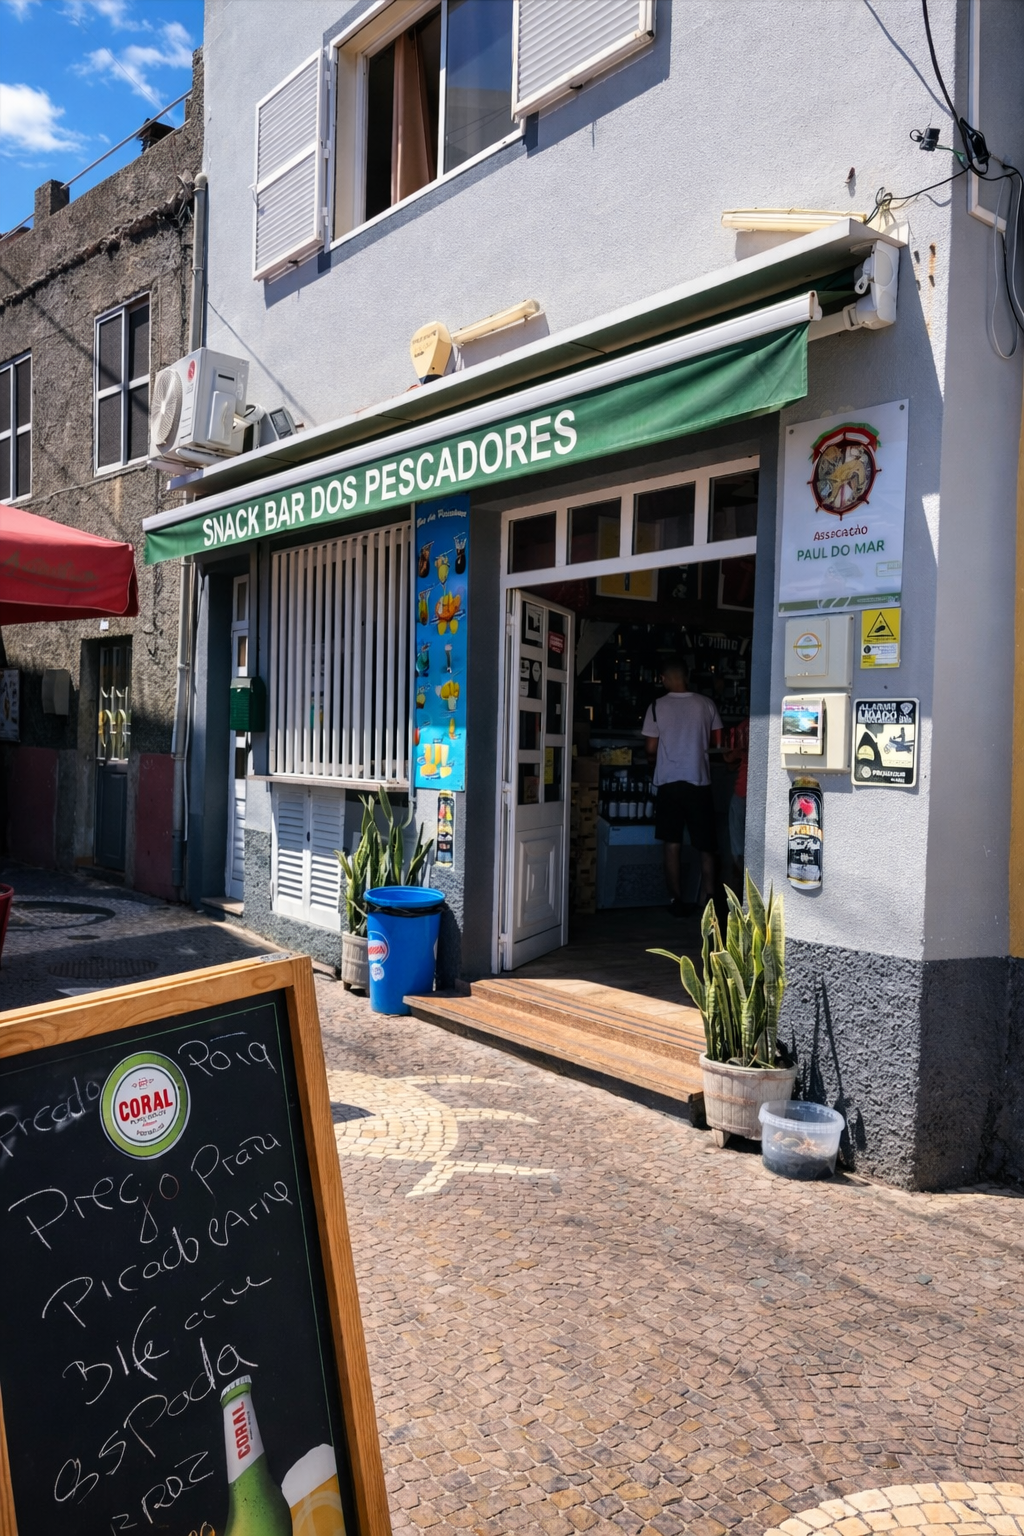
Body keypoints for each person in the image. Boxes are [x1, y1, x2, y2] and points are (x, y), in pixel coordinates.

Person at [643, 659, 722, 914]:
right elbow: (717, 742)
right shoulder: (706, 704)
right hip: (699, 781)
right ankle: (709, 898)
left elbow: (650, 749)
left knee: (672, 843)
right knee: (707, 844)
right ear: (686, 678)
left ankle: (676, 900)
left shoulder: (656, 706)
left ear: (664, 679)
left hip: (669, 782)